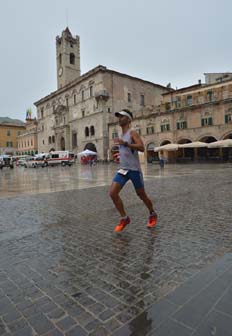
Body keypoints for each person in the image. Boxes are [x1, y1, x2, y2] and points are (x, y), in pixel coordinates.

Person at [109, 109, 158, 232]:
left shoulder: (132, 133)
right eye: (118, 117)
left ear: (129, 119)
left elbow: (141, 148)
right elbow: (126, 152)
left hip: (134, 170)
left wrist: (125, 144)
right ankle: (124, 218)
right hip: (123, 169)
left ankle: (152, 214)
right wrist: (119, 157)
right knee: (112, 193)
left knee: (141, 195)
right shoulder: (120, 136)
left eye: (122, 116)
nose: (119, 119)